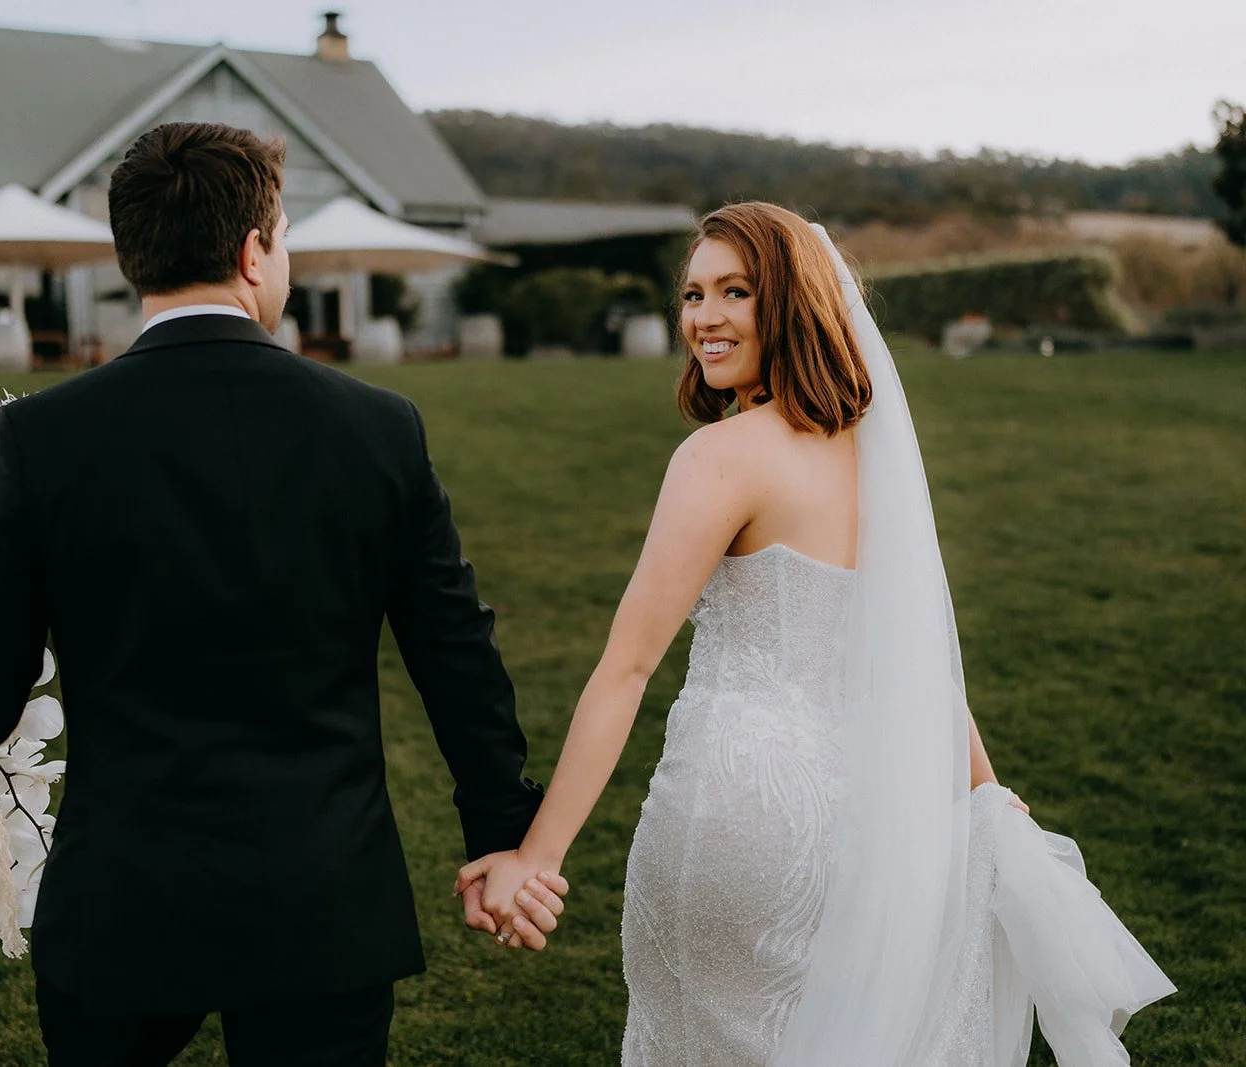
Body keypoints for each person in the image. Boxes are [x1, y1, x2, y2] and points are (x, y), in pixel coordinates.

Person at [460, 203, 1173, 1064]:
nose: (704, 318)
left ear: (790, 301)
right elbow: (919, 654)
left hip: (731, 816)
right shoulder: (876, 462)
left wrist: (538, 857)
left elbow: (628, 665)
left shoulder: (720, 459)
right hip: (864, 827)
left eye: (735, 291)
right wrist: (986, 791)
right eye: (693, 294)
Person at [0, 121, 565, 1067]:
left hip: (122, 909)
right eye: (287, 235)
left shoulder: (41, 443)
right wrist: (502, 833)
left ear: (134, 255)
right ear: (254, 250)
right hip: (322, 901)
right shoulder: (378, 429)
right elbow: (456, 655)